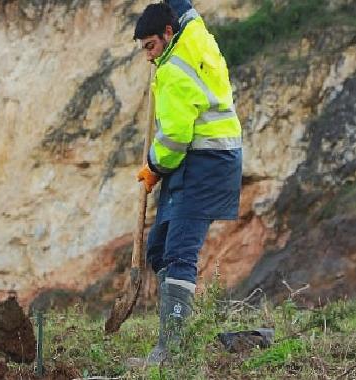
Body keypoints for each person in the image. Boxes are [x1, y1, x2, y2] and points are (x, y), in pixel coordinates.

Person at [128, 0, 242, 365]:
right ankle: (176, 340)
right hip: (197, 159)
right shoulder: (193, 32)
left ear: (167, 33)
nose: (149, 57)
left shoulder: (175, 69)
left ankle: (172, 352)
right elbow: (186, 8)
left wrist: (153, 166)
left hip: (206, 160)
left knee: (178, 251)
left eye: (151, 47)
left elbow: (175, 137)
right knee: (158, 249)